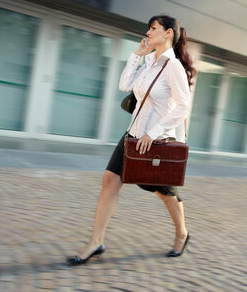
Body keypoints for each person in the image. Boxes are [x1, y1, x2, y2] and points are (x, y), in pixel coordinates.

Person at [67, 15, 197, 266]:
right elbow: (125, 85)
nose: (148, 33)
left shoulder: (173, 66)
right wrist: (136, 55)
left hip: (157, 141)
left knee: (164, 191)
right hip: (134, 134)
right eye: (148, 29)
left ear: (168, 33)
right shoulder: (149, 61)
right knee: (109, 180)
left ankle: (182, 233)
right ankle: (96, 241)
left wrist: (153, 133)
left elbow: (182, 107)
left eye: (153, 29)